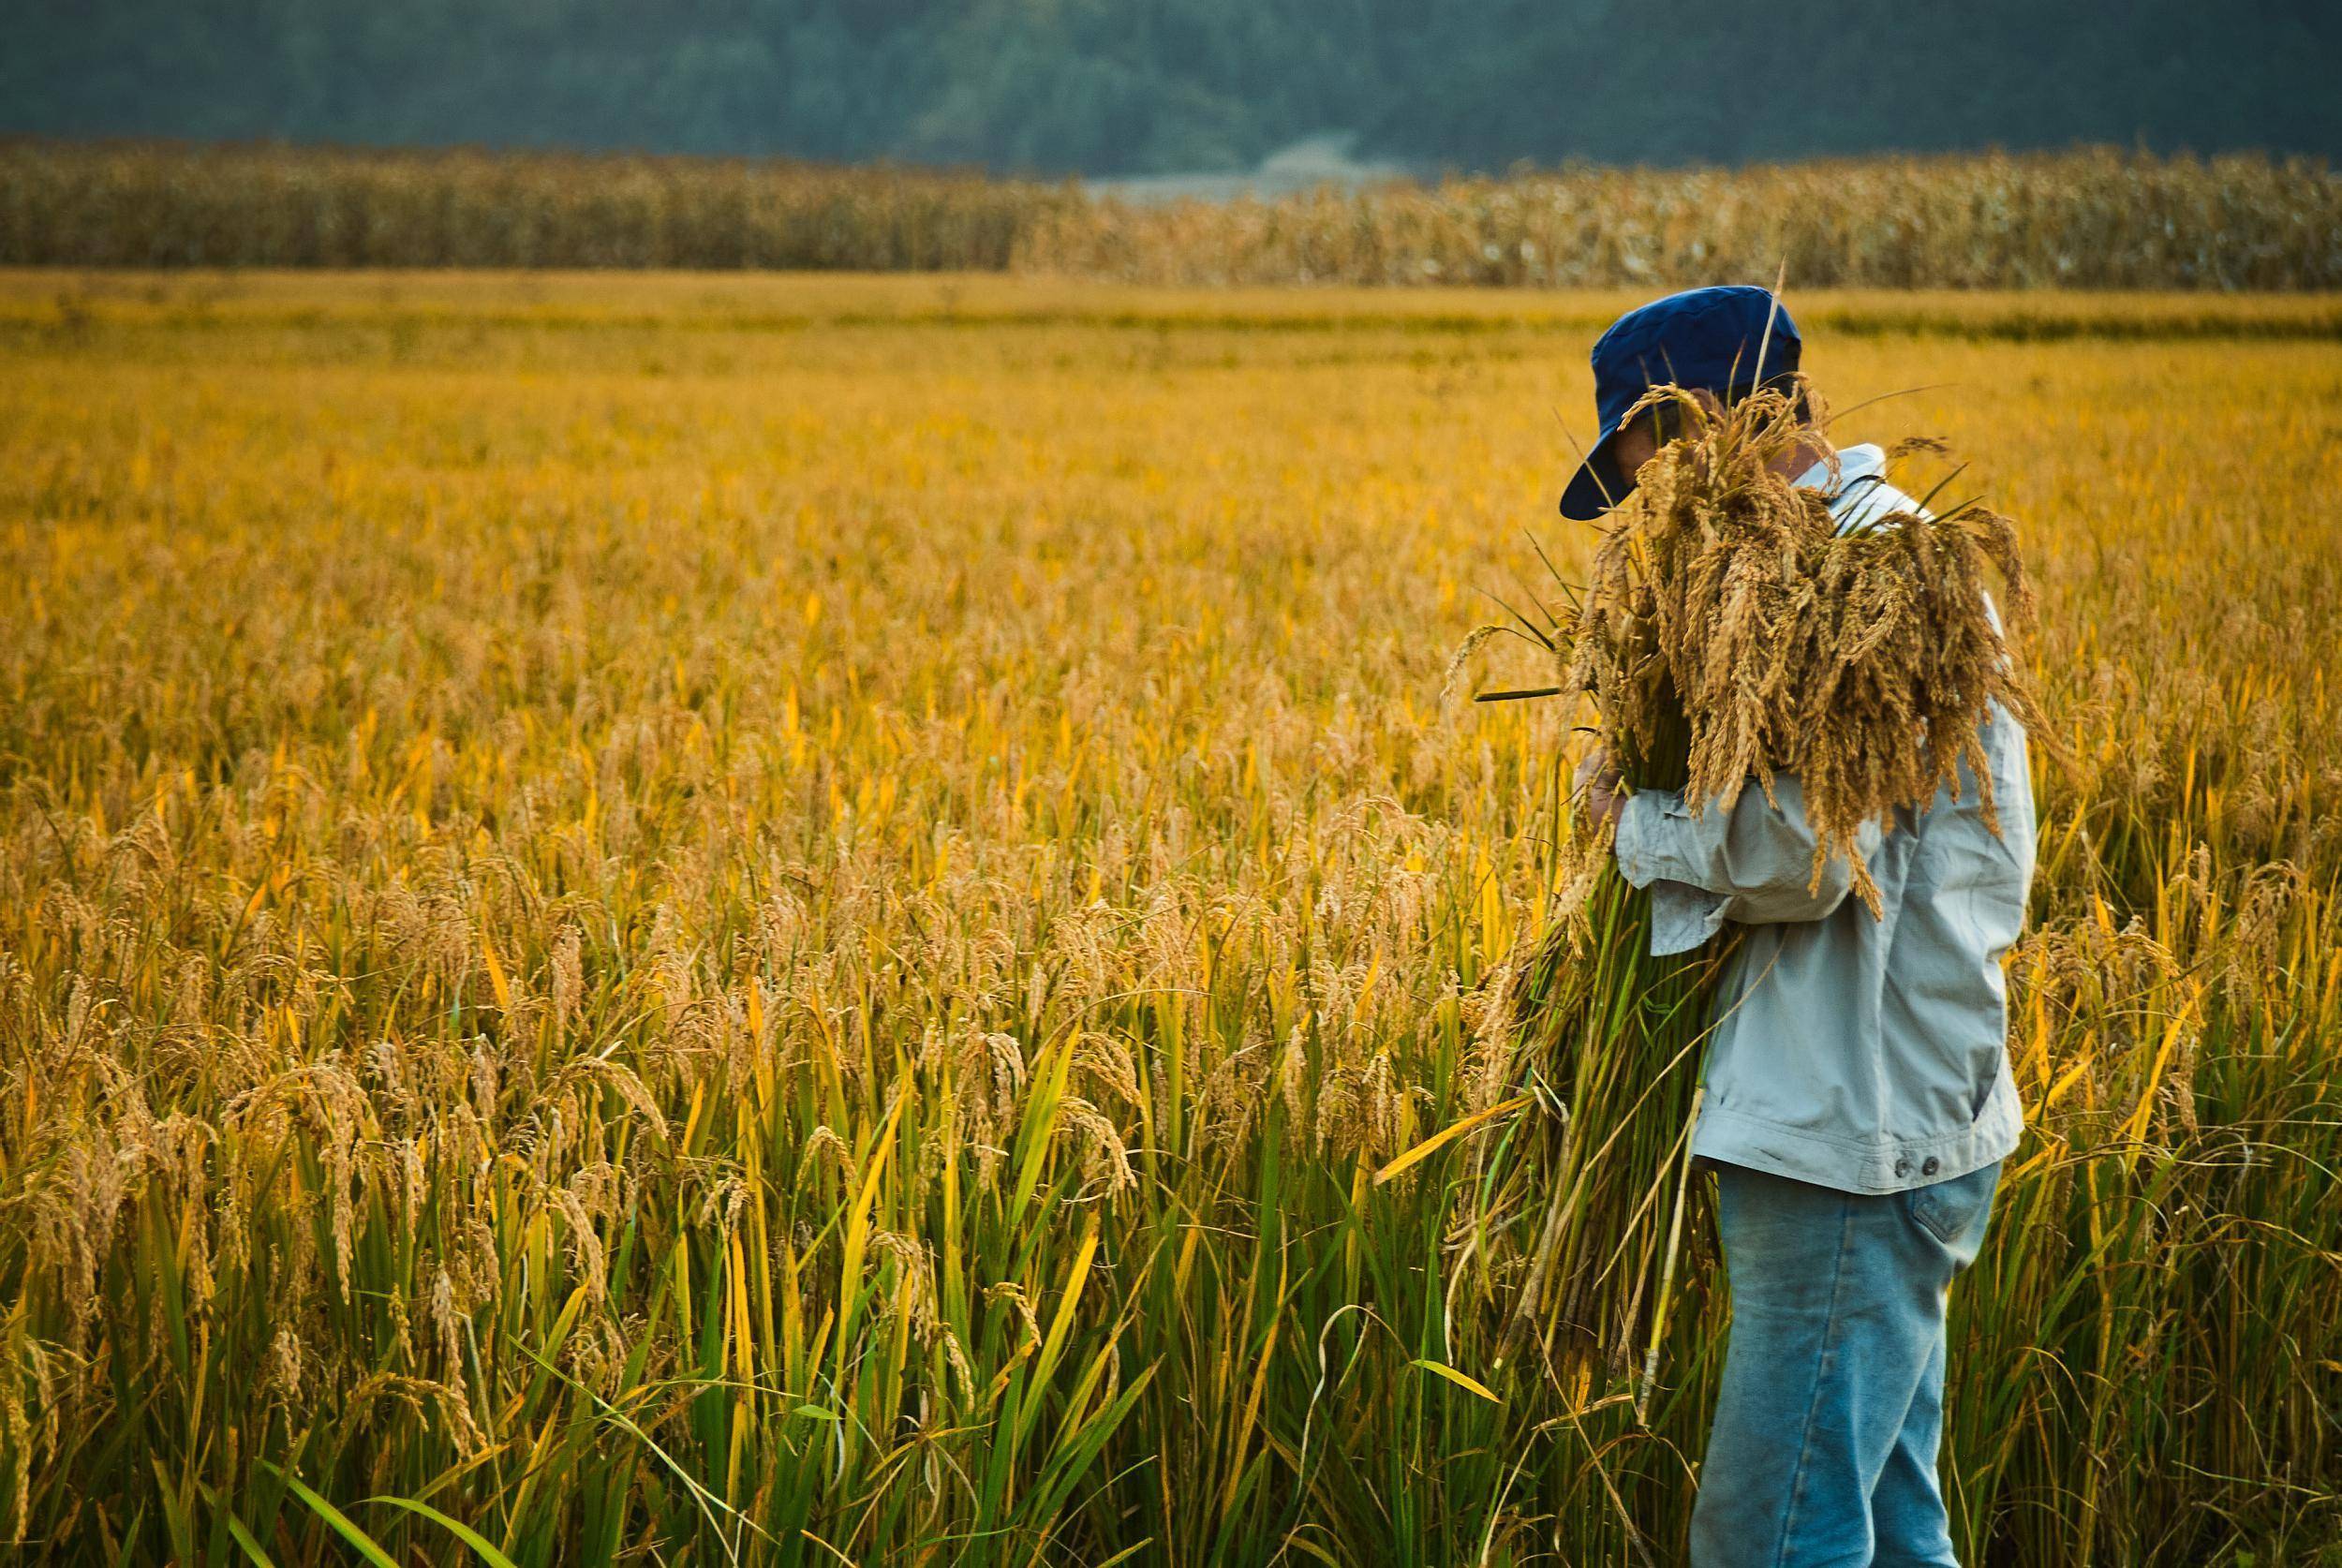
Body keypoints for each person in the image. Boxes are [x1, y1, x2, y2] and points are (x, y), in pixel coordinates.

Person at [1560, 286, 2038, 1568]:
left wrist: (1638, 818)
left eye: (1645, 470)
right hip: (1885, 1123)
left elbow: (1808, 852)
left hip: (1850, 1142)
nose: (1649, 516)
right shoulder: (1838, 563)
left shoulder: (1868, 575)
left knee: (1773, 1536)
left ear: (1713, 420)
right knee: (1884, 1523)